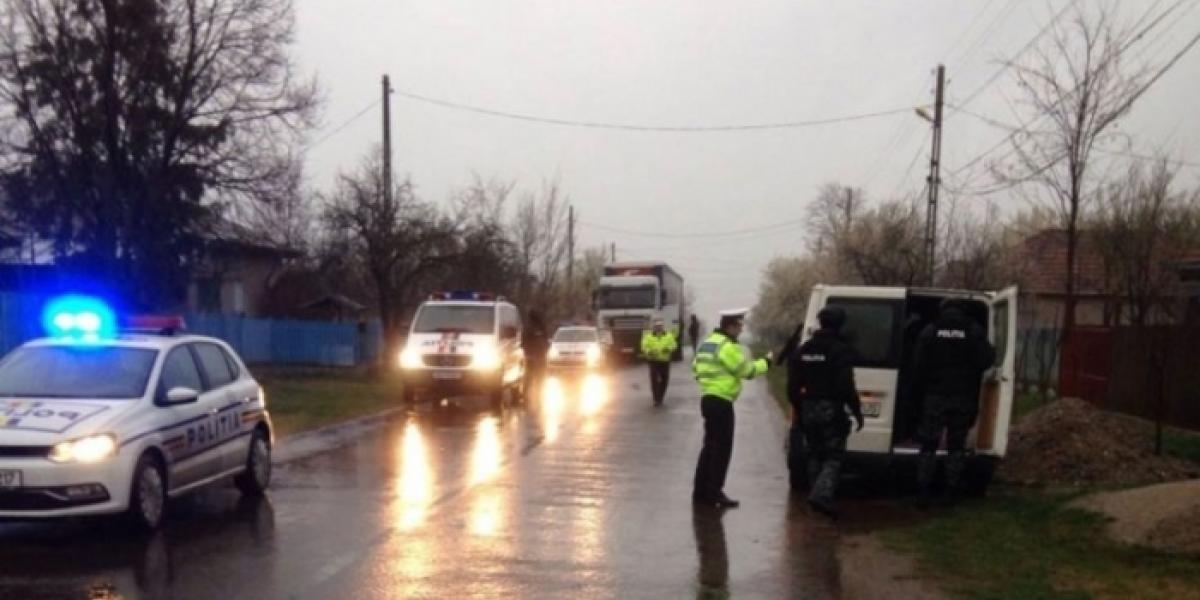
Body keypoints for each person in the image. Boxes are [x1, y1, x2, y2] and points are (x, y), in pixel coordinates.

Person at [912, 299, 996, 507]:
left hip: (935, 395)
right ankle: (951, 492)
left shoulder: (931, 330)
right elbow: (987, 360)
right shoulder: (973, 330)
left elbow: (918, 363)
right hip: (963, 396)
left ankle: (922, 492)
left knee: (929, 445)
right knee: (956, 446)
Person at [787, 306, 863, 518]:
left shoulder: (804, 349)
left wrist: (799, 408)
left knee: (814, 452)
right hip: (831, 408)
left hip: (807, 407)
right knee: (834, 455)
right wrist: (856, 411)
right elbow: (846, 385)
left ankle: (815, 493)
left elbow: (792, 385)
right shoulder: (840, 350)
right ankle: (821, 495)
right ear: (840, 324)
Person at [691, 308, 771, 508]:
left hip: (708, 399)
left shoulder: (708, 343)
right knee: (721, 449)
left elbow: (695, 368)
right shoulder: (727, 347)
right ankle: (715, 492)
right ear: (730, 326)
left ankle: (700, 491)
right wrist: (766, 362)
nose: (741, 330)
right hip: (722, 401)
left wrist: (709, 383)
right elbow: (747, 371)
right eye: (739, 326)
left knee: (709, 447)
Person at [640, 318, 678, 406]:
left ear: (663, 327)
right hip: (653, 360)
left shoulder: (668, 336)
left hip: (665, 361)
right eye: (657, 326)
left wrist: (668, 349)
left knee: (664, 379)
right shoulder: (648, 337)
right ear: (654, 327)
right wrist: (649, 351)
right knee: (654, 379)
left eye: (660, 326)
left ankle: (660, 396)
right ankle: (656, 398)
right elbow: (644, 346)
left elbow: (674, 345)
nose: (658, 328)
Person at [521, 310, 550, 401]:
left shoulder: (533, 327)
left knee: (532, 376)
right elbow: (524, 342)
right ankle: (529, 394)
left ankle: (531, 394)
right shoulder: (536, 327)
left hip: (536, 356)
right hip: (535, 356)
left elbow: (524, 342)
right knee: (533, 376)